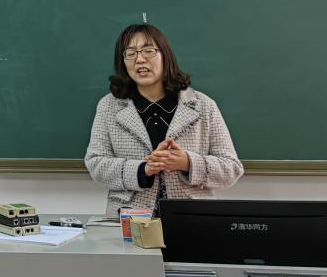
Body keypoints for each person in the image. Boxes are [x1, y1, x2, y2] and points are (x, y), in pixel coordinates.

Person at [85, 23, 243, 214]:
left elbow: (231, 168)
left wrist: (187, 162)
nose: (140, 59)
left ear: (165, 55)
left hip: (192, 216)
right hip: (128, 217)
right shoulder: (109, 106)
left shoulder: (202, 105)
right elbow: (95, 163)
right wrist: (143, 169)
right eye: (130, 53)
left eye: (148, 51)